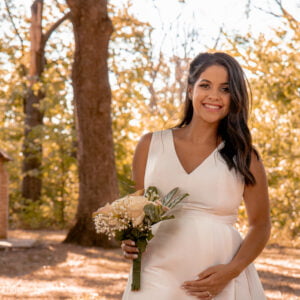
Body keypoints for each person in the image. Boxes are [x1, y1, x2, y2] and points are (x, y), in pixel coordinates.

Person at [121, 52, 271, 300]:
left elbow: (261, 225)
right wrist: (128, 240)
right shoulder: (150, 145)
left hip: (217, 279)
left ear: (235, 98)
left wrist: (230, 272)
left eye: (225, 89)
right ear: (190, 90)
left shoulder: (245, 157)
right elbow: (136, 214)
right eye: (205, 85)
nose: (214, 95)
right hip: (155, 273)